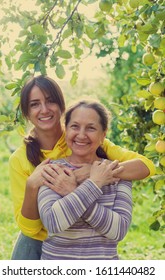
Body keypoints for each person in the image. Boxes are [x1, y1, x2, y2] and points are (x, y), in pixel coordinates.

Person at [9, 75, 155, 260]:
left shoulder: (86, 140)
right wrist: (32, 185)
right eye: (34, 104)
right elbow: (33, 227)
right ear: (26, 113)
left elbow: (146, 166)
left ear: (61, 106)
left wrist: (93, 171)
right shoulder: (25, 160)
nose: (44, 109)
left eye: (50, 101)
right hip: (39, 241)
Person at [38, 100, 132, 259]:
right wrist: (94, 184)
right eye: (74, 126)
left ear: (103, 135)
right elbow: (53, 222)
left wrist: (72, 192)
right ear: (66, 130)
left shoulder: (115, 172)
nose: (81, 135)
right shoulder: (52, 170)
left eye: (91, 128)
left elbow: (119, 231)